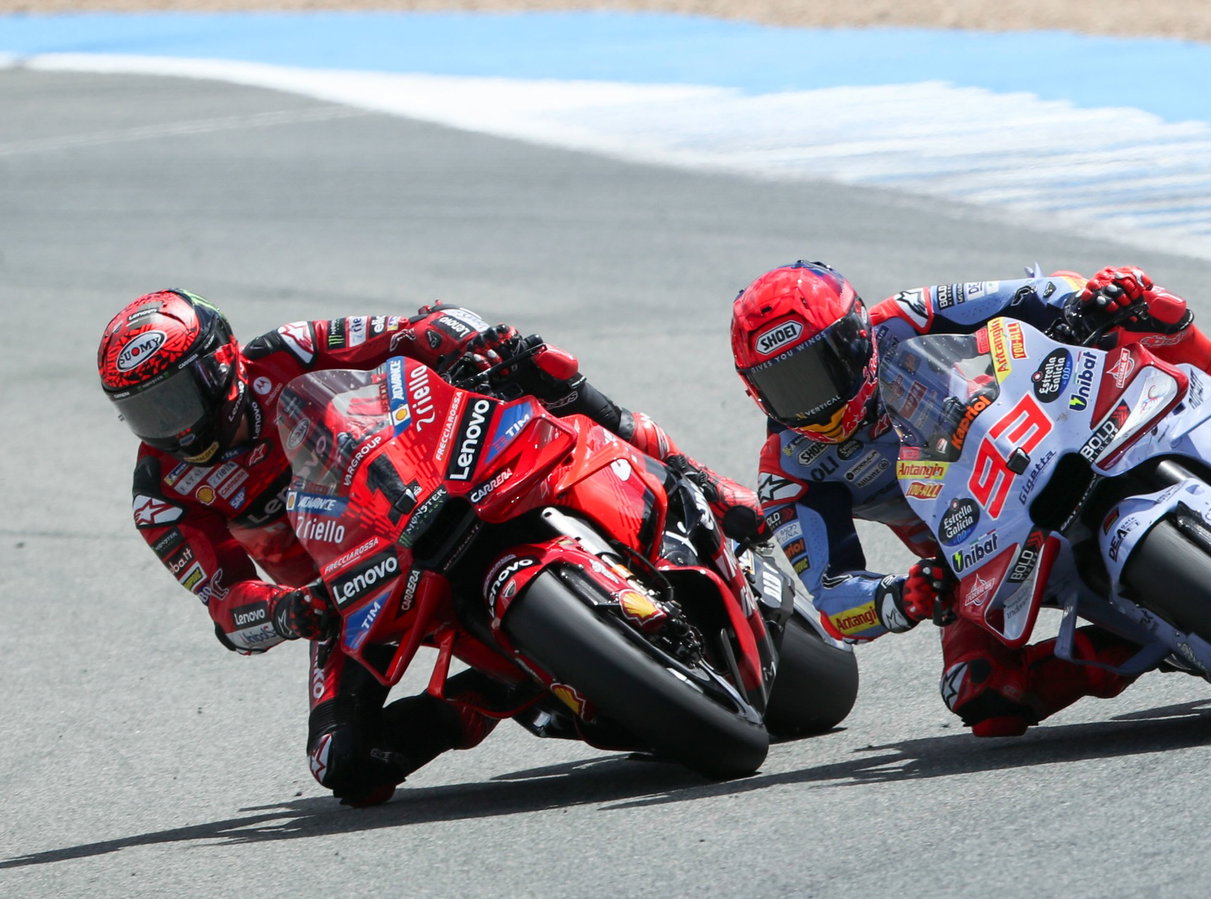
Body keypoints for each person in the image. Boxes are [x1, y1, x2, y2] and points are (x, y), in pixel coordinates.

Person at [98, 289, 756, 806]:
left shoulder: (289, 350)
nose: (168, 428)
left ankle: (696, 478)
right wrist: (285, 611)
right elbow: (224, 608)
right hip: (343, 585)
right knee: (343, 765)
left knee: (546, 373)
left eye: (172, 400)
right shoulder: (161, 495)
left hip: (421, 468)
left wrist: (468, 337)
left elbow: (405, 330)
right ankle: (504, 687)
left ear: (219, 366)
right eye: (144, 413)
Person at [730, 261, 1211, 737]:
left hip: (1049, 430)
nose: (812, 401)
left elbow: (1037, 294)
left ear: (855, 335)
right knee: (981, 699)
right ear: (755, 391)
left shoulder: (908, 317)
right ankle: (1153, 644)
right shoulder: (788, 471)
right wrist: (902, 597)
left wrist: (1098, 298)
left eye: (819, 369)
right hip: (974, 553)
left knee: (1146, 312)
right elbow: (835, 599)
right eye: (784, 384)